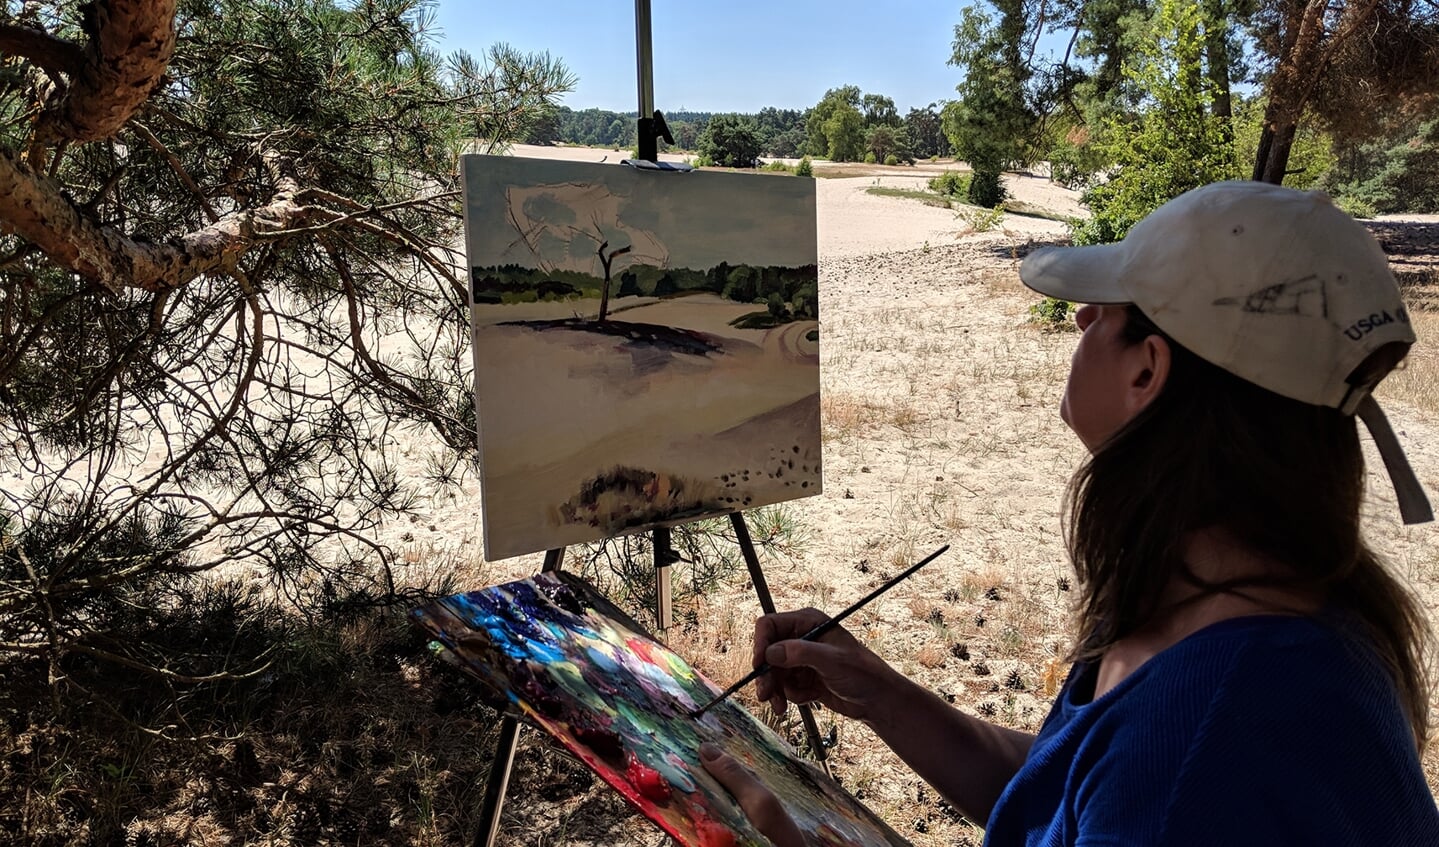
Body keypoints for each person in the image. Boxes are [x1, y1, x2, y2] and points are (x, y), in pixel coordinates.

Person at [697, 181, 1439, 845]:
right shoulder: (1266, 614)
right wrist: (886, 695)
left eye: (1105, 308)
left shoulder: (1211, 738)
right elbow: (1068, 796)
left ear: (1147, 369)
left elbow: (1151, 788)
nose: (1080, 313)